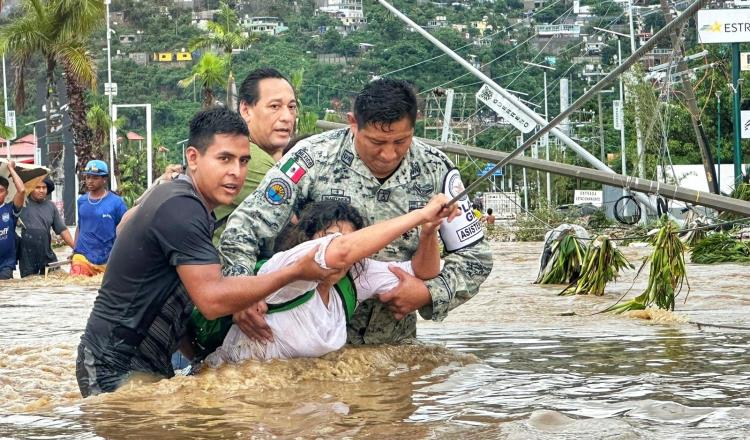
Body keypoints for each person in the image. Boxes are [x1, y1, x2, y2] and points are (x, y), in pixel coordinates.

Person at [76, 107, 332, 397]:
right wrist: (296, 272)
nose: (236, 172)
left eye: (243, 161)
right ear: (193, 158)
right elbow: (211, 299)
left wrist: (199, 358)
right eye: (224, 159)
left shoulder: (183, 202)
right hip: (113, 366)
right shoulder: (182, 207)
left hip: (145, 363)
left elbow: (171, 291)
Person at [220, 78, 494, 346]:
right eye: (376, 142)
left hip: (394, 346)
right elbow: (244, 228)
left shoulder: (436, 170)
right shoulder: (311, 158)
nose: (388, 154)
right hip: (305, 340)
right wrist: (241, 291)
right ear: (353, 123)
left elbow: (476, 257)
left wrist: (428, 293)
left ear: (414, 124)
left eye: (400, 141)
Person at [205, 197, 453, 365]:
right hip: (238, 389)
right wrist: (420, 214)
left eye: (352, 240)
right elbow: (341, 251)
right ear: (309, 238)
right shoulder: (290, 264)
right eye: (330, 237)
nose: (343, 247)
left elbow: (423, 273)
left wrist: (429, 231)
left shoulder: (355, 276)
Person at [213, 67, 298, 243]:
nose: (287, 117)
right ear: (245, 110)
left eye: (291, 107)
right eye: (275, 106)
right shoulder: (249, 160)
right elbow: (301, 221)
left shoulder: (273, 158)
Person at [70, 160, 127, 276]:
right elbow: (80, 226)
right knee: (76, 282)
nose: (90, 181)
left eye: (95, 178)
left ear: (104, 179)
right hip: (82, 256)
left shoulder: (117, 203)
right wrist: (75, 250)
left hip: (108, 257)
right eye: (88, 177)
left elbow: (126, 229)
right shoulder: (81, 201)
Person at [17, 176, 75, 277]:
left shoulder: (51, 206)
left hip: (47, 253)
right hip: (27, 256)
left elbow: (62, 230)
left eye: (44, 188)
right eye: (37, 187)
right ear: (30, 189)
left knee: (58, 279)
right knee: (30, 285)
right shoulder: (21, 203)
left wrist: (76, 248)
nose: (41, 190)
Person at [0, 161, 25, 280]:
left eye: (1, 191)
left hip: (6, 265)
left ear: (6, 193)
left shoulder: (10, 209)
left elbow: (21, 191)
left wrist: (11, 169)